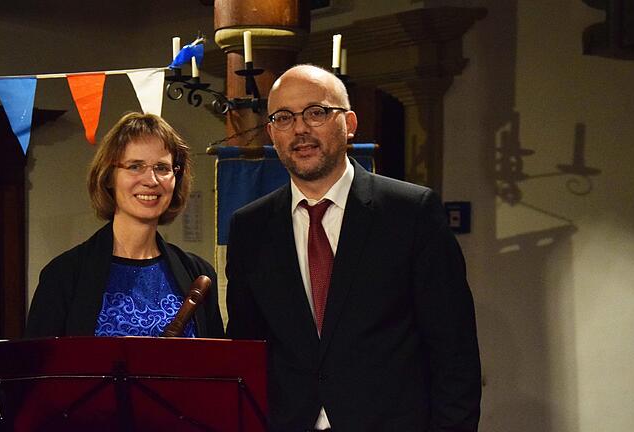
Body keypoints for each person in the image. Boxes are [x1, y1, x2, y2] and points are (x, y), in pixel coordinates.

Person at [225, 65, 481, 431]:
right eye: (283, 118)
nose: (300, 129)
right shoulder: (249, 228)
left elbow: (454, 354)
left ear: (349, 123)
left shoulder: (411, 213)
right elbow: (246, 352)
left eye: (316, 112)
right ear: (271, 133)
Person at [26, 112, 223, 339]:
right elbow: (38, 370)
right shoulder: (64, 274)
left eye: (162, 168)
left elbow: (219, 369)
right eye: (135, 166)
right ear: (109, 177)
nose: (151, 180)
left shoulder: (198, 273)